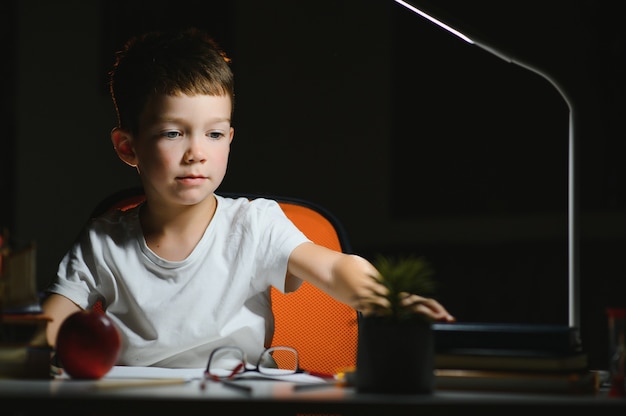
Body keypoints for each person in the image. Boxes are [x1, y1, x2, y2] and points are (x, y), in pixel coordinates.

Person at [41, 27, 454, 368]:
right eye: (172, 133)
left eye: (214, 133)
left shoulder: (254, 225)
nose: (196, 152)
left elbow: (334, 269)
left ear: (230, 139)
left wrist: (387, 297)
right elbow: (49, 327)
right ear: (128, 147)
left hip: (238, 399)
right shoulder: (102, 241)